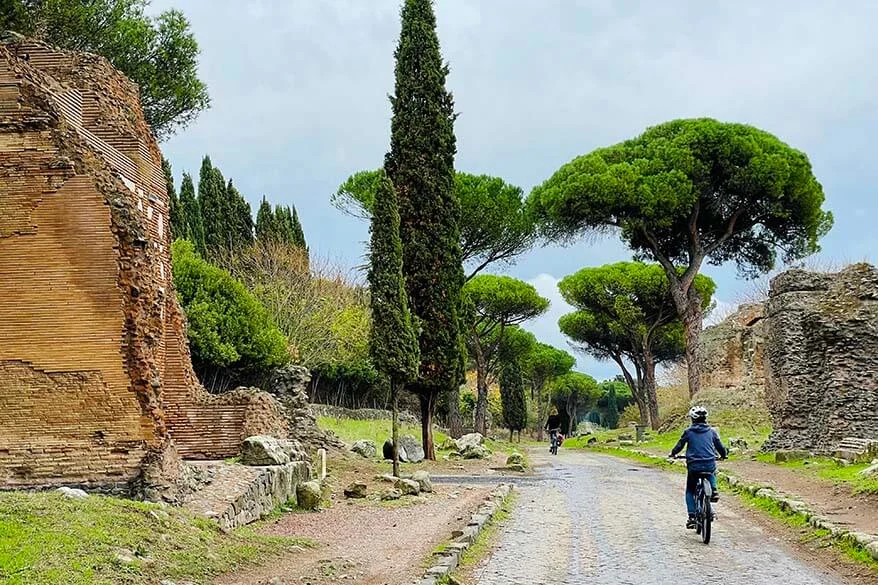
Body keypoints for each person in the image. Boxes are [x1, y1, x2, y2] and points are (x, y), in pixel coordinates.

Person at [669, 405, 728, 529]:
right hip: (709, 462)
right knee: (711, 471)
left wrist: (673, 453)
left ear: (692, 419)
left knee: (690, 490)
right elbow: (719, 446)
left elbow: (679, 445)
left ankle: (692, 517)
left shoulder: (688, 432)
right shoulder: (712, 432)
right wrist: (723, 455)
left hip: (694, 465)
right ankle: (713, 489)